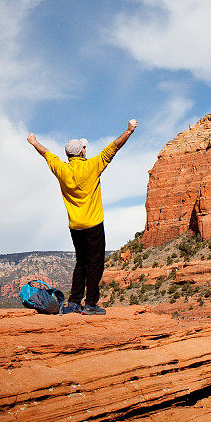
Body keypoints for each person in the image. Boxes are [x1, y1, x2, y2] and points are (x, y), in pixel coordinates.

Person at [27, 119, 137, 315]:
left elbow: (46, 154)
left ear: (68, 155)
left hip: (75, 226)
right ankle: (91, 304)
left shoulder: (61, 168)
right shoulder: (92, 165)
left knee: (81, 263)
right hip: (93, 225)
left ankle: (74, 302)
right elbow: (113, 148)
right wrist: (128, 131)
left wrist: (34, 142)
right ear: (82, 152)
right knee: (95, 264)